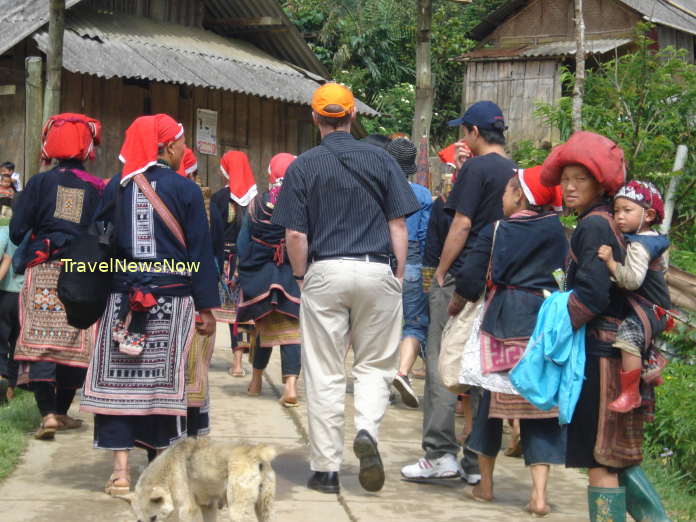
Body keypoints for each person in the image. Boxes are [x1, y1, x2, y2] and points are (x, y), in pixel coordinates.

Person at [272, 82, 419, 494]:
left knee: (324, 371)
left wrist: (301, 278)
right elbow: (399, 224)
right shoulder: (381, 158)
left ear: (314, 117)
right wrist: (397, 273)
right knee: (375, 364)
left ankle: (326, 470)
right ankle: (367, 429)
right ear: (353, 115)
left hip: (325, 271)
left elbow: (296, 234)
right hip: (376, 269)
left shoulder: (302, 166)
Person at [80, 114, 219, 497]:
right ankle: (159, 473)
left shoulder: (115, 188)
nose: (180, 148)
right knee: (162, 387)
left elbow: (99, 242)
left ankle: (121, 473)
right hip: (172, 301)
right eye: (179, 142)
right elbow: (200, 253)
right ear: (169, 147)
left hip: (122, 300)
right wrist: (207, 308)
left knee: (117, 387)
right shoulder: (186, 190)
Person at [541, 130, 669, 522]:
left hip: (601, 355)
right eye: (565, 178)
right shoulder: (605, 223)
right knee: (613, 455)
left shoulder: (594, 227)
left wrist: (556, 331)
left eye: (581, 179)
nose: (570, 186)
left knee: (599, 457)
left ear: (601, 183)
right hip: (612, 353)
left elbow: (593, 296)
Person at [402, 101, 516, 484]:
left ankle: (439, 454)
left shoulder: (476, 169)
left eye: (463, 130)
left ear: (474, 133)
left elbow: (461, 224)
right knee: (482, 370)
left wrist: (442, 273)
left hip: (462, 278)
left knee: (441, 363)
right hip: (497, 281)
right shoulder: (515, 172)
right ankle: (475, 462)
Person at [449, 166, 567, 516]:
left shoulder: (498, 230)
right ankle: (539, 495)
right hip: (543, 320)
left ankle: (485, 486)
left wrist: (458, 302)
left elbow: (471, 275)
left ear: (519, 194)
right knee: (539, 405)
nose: (502, 198)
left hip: (502, 320)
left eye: (506, 192)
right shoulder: (558, 232)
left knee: (489, 405)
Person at [10, 113, 104, 439]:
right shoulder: (98, 187)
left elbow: (17, 228)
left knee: (41, 344)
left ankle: (47, 414)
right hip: (83, 272)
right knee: (73, 343)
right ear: (86, 147)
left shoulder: (39, 183)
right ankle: (62, 411)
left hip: (44, 269)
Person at [596, 181, 671, 413]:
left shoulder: (640, 246)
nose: (619, 217)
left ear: (648, 215)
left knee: (628, 337)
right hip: (657, 308)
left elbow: (632, 281)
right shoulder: (653, 239)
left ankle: (631, 393)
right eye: (616, 210)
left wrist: (610, 263)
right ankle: (648, 374)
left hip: (649, 309)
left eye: (627, 211)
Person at [236, 153, 301, 407]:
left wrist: (245, 268)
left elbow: (243, 244)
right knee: (291, 330)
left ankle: (256, 381)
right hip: (290, 277)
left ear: (270, 174)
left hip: (262, 277)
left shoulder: (256, 205)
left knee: (264, 326)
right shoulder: (300, 204)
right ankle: (291, 386)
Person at [386, 138, 432, 408]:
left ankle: (380, 380)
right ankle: (402, 372)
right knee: (414, 322)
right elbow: (426, 236)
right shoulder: (423, 195)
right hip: (414, 261)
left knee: (380, 324)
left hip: (382, 261)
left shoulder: (379, 189)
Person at [211, 150, 257, 377]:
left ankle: (202, 358)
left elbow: (214, 234)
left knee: (209, 310)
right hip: (247, 263)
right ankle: (238, 363)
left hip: (223, 262)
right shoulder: (256, 200)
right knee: (242, 313)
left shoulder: (219, 198)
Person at [0, 211, 23, 405]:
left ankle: (2, 380)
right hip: (26, 298)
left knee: (1, 343)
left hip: (6, 295)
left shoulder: (5, 232)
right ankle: (10, 390)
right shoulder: (34, 233)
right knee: (16, 347)